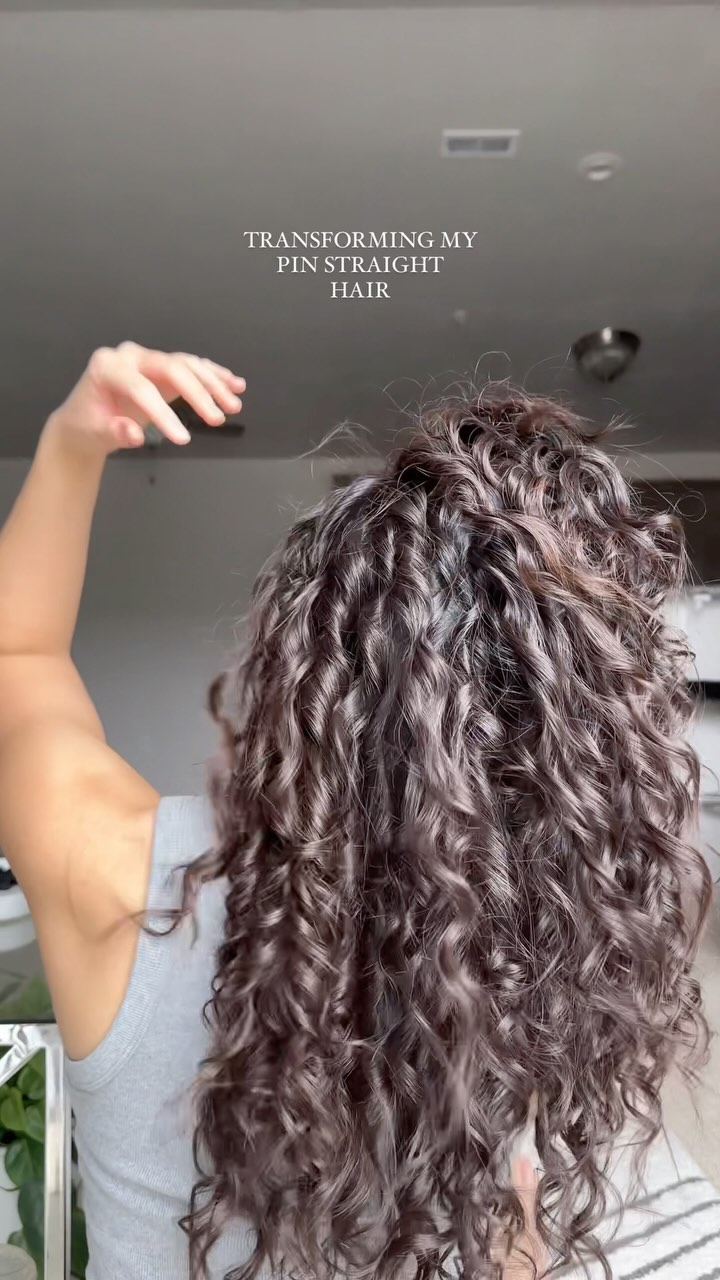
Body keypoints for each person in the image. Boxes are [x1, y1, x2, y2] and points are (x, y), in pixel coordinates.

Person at [0, 344, 710, 1280]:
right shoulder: (535, 942)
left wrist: (71, 444)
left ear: (311, 668)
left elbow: (16, 662)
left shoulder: (128, 884)